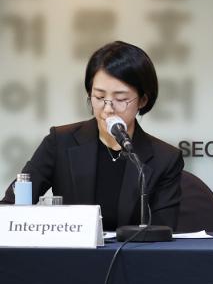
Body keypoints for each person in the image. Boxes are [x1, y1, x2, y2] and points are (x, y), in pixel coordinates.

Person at [2, 41, 183, 231]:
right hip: (71, 258)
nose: (107, 109)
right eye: (98, 97)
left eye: (120, 99)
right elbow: (11, 208)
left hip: (132, 259)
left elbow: (162, 236)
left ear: (143, 100)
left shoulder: (165, 159)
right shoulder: (60, 142)